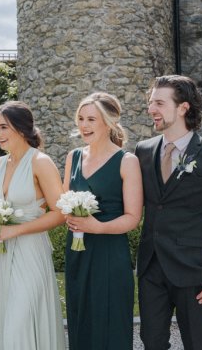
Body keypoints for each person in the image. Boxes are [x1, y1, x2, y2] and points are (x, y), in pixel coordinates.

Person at [135, 75, 202, 350]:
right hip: (151, 267)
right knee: (151, 342)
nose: (151, 109)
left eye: (159, 103)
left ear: (182, 107)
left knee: (197, 344)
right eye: (150, 103)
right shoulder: (143, 152)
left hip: (194, 271)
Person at [0, 100, 66, 350]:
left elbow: (60, 213)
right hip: (0, 254)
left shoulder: (41, 162)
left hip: (30, 252)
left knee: (21, 319)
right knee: (3, 319)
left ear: (21, 128)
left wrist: (14, 230)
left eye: (4, 127)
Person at [62, 92, 143, 350]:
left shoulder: (126, 161)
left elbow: (133, 217)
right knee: (80, 316)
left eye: (91, 120)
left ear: (109, 123)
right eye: (81, 119)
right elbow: (64, 202)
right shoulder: (73, 157)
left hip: (110, 254)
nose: (84, 126)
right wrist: (70, 216)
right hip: (77, 252)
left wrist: (99, 227)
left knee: (110, 320)